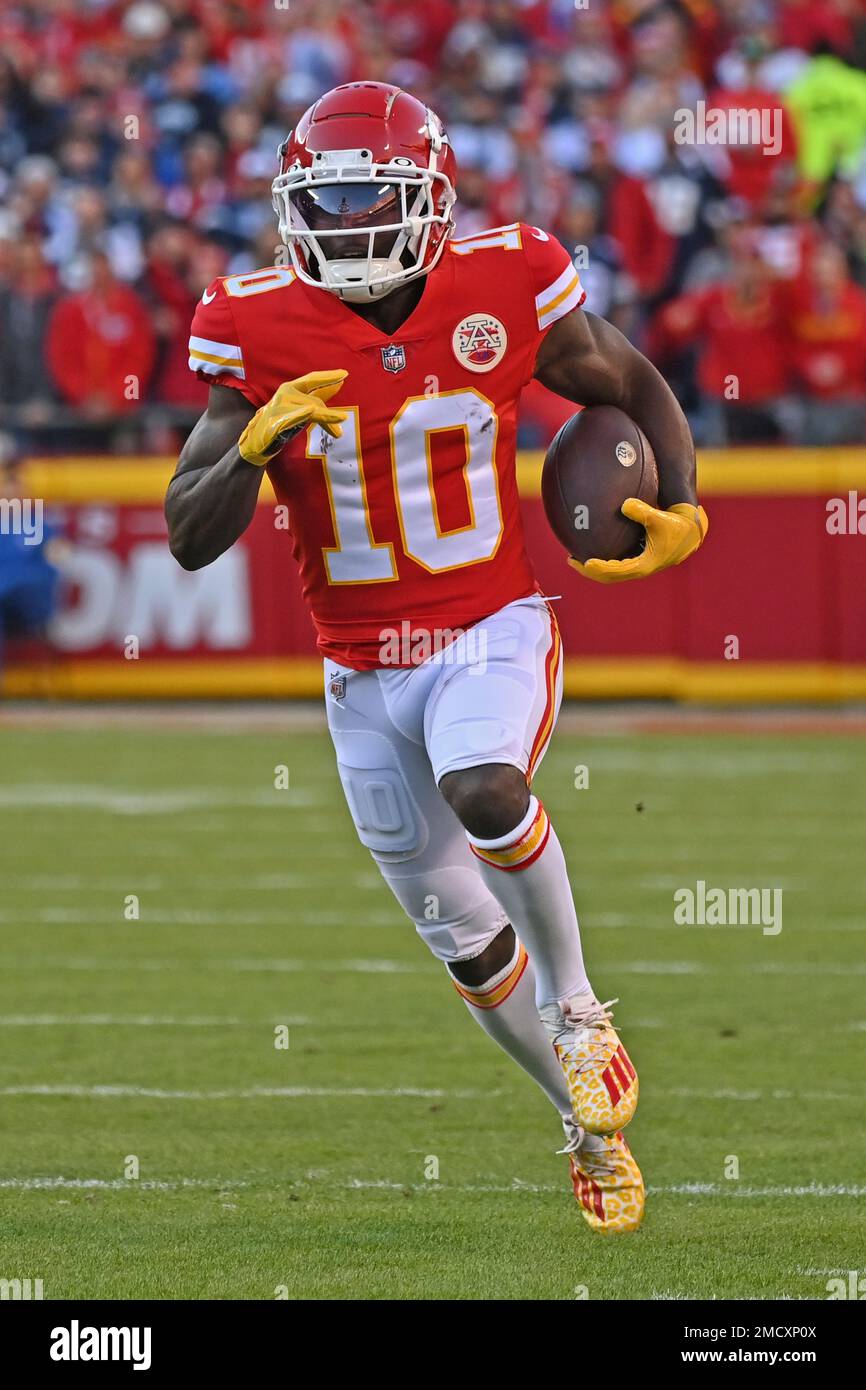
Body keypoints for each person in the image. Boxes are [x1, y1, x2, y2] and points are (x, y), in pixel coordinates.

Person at [164, 82, 708, 1235]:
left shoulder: (505, 279)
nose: (352, 223)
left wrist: (685, 498)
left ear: (430, 197)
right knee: (463, 940)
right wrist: (253, 446)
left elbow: (627, 380)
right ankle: (579, 1127)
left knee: (484, 785)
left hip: (487, 626)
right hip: (355, 672)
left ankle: (576, 1005)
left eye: (373, 197)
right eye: (331, 201)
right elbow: (186, 532)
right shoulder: (252, 324)